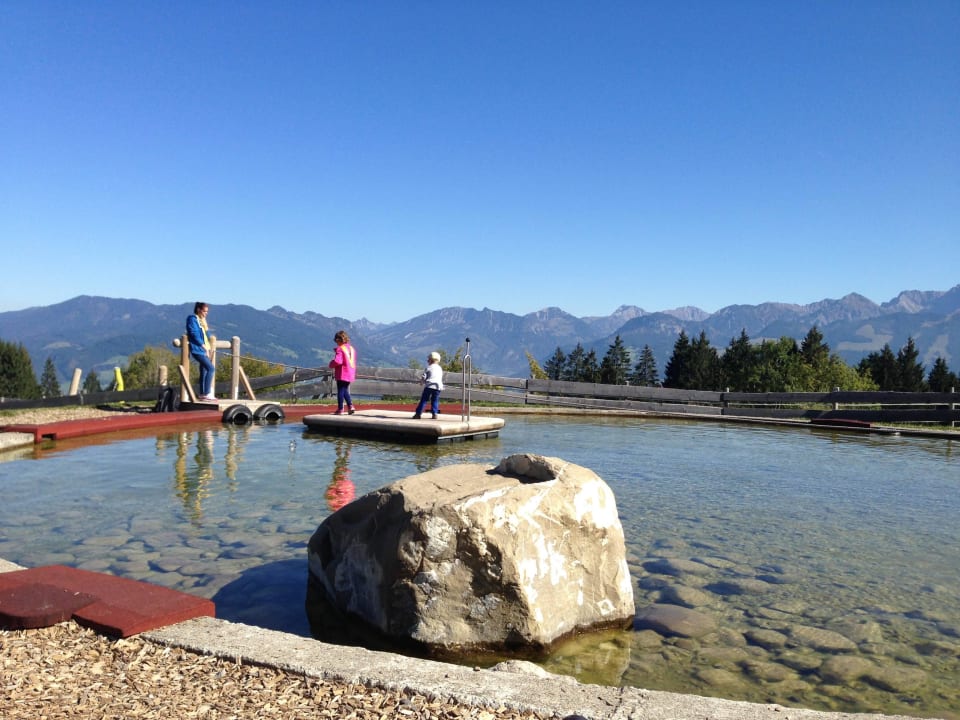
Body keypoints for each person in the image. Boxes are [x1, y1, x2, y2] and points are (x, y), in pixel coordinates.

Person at [186, 302, 216, 401]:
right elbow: (193, 333)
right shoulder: (192, 319)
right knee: (211, 368)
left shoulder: (201, 320)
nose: (206, 313)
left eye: (207, 311)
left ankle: (203, 394)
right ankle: (207, 393)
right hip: (197, 349)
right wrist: (202, 345)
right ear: (198, 309)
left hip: (204, 350)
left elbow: (206, 335)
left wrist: (206, 327)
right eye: (204, 311)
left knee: (203, 371)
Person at [328, 330, 357, 415]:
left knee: (340, 390)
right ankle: (350, 406)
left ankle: (340, 409)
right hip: (350, 372)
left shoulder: (340, 349)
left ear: (338, 339)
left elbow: (338, 361)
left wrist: (331, 364)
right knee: (345, 390)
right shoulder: (351, 348)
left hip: (342, 372)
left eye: (336, 340)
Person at [413, 351, 443, 419]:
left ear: (431, 360)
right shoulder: (440, 368)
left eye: (428, 359)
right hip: (438, 387)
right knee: (435, 400)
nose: (427, 360)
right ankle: (435, 413)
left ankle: (418, 414)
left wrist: (421, 382)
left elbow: (424, 376)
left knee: (424, 400)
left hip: (429, 386)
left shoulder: (429, 367)